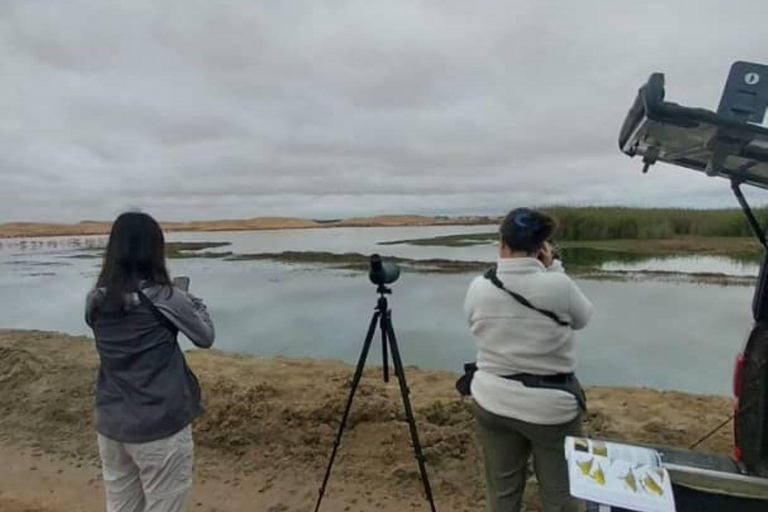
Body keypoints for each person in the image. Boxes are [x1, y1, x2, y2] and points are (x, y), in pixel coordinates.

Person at [464, 207, 593, 512]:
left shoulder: (478, 287)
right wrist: (554, 269)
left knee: (502, 494)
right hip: (551, 410)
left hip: (491, 399)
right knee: (562, 496)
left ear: (502, 243)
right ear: (541, 247)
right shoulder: (558, 285)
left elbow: (473, 323)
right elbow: (584, 317)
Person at [85, 211, 215, 512]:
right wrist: (192, 300)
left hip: (111, 425)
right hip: (160, 428)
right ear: (154, 250)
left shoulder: (95, 299)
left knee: (120, 506)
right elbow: (205, 336)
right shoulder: (166, 296)